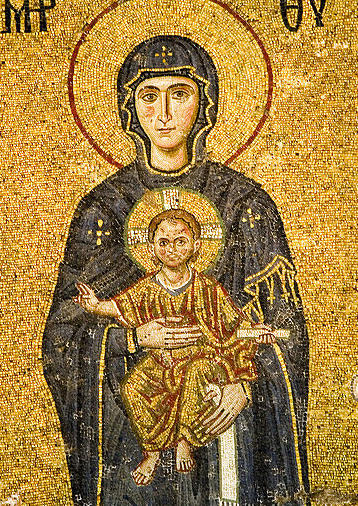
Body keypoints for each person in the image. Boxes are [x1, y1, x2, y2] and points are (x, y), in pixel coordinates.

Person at [43, 35, 310, 506]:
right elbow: (61, 338)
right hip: (131, 438)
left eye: (180, 93)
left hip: (227, 416)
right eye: (149, 96)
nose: (164, 112)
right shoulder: (105, 209)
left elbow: (286, 332)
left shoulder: (244, 204)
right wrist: (132, 340)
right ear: (129, 108)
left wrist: (246, 385)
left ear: (204, 103)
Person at [75, 208, 276, 486]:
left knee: (196, 375)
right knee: (134, 386)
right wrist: (97, 306)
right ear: (151, 248)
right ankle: (153, 451)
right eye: (163, 242)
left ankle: (185, 439)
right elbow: (123, 306)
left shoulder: (207, 288)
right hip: (161, 363)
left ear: (196, 246)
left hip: (200, 359)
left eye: (180, 241)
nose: (172, 249)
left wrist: (255, 332)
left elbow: (231, 324)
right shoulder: (146, 287)